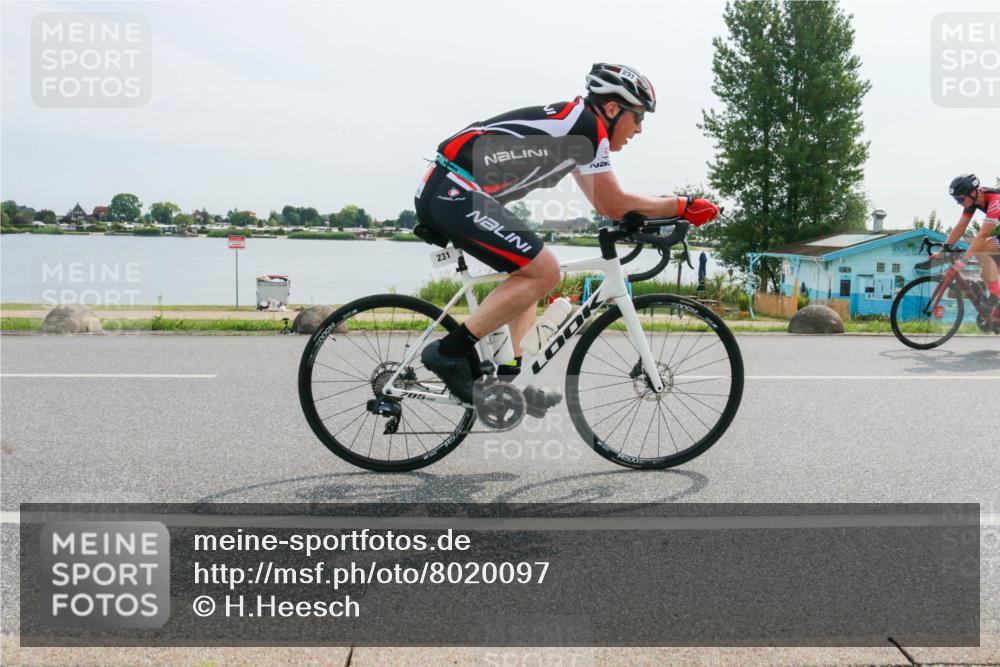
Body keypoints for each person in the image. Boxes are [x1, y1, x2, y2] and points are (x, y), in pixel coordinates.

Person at [414, 63, 721, 405]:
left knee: (530, 274)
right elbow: (614, 202)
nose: (639, 130)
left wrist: (647, 217)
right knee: (544, 270)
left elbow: (605, 206)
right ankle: (448, 352)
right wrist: (681, 205)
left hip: (455, 190)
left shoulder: (578, 130)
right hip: (455, 190)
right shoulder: (586, 129)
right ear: (612, 109)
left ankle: (509, 379)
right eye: (639, 117)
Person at [934, 173, 1000, 320]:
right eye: (956, 199)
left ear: (972, 193)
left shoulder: (995, 200)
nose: (959, 203)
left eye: (960, 199)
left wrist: (963, 261)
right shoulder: (974, 200)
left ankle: (997, 297)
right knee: (987, 273)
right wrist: (942, 250)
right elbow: (960, 227)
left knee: (983, 246)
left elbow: (982, 235)